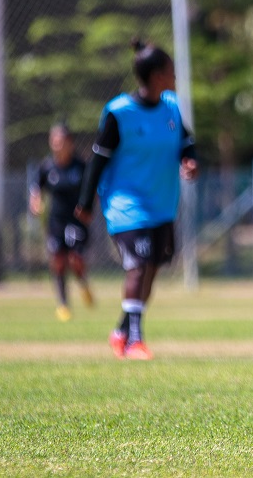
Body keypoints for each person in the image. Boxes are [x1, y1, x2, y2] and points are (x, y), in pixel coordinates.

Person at [75, 38, 198, 360]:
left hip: (162, 203)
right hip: (126, 204)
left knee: (152, 268)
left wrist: (190, 160)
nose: (174, 76)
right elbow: (98, 160)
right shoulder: (121, 113)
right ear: (157, 75)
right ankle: (134, 342)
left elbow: (186, 142)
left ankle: (120, 331)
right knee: (139, 267)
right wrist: (85, 203)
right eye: (170, 71)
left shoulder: (171, 105)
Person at [29, 123, 94, 322]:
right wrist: (36, 202)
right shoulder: (47, 166)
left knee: (75, 259)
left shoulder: (80, 166)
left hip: (76, 220)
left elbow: (92, 189)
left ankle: (82, 283)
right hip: (56, 221)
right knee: (58, 261)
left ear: (69, 143)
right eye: (54, 141)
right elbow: (36, 188)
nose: (57, 145)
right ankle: (63, 304)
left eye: (60, 142)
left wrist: (89, 208)